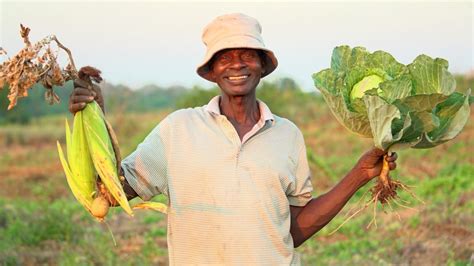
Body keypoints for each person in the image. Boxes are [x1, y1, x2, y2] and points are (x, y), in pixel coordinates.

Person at [69, 13, 397, 265]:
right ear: (211, 71)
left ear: (262, 66)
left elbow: (293, 231)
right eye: (224, 57)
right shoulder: (178, 129)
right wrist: (94, 115)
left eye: (247, 54)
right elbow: (111, 193)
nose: (237, 64)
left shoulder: (287, 134)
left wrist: (361, 174)